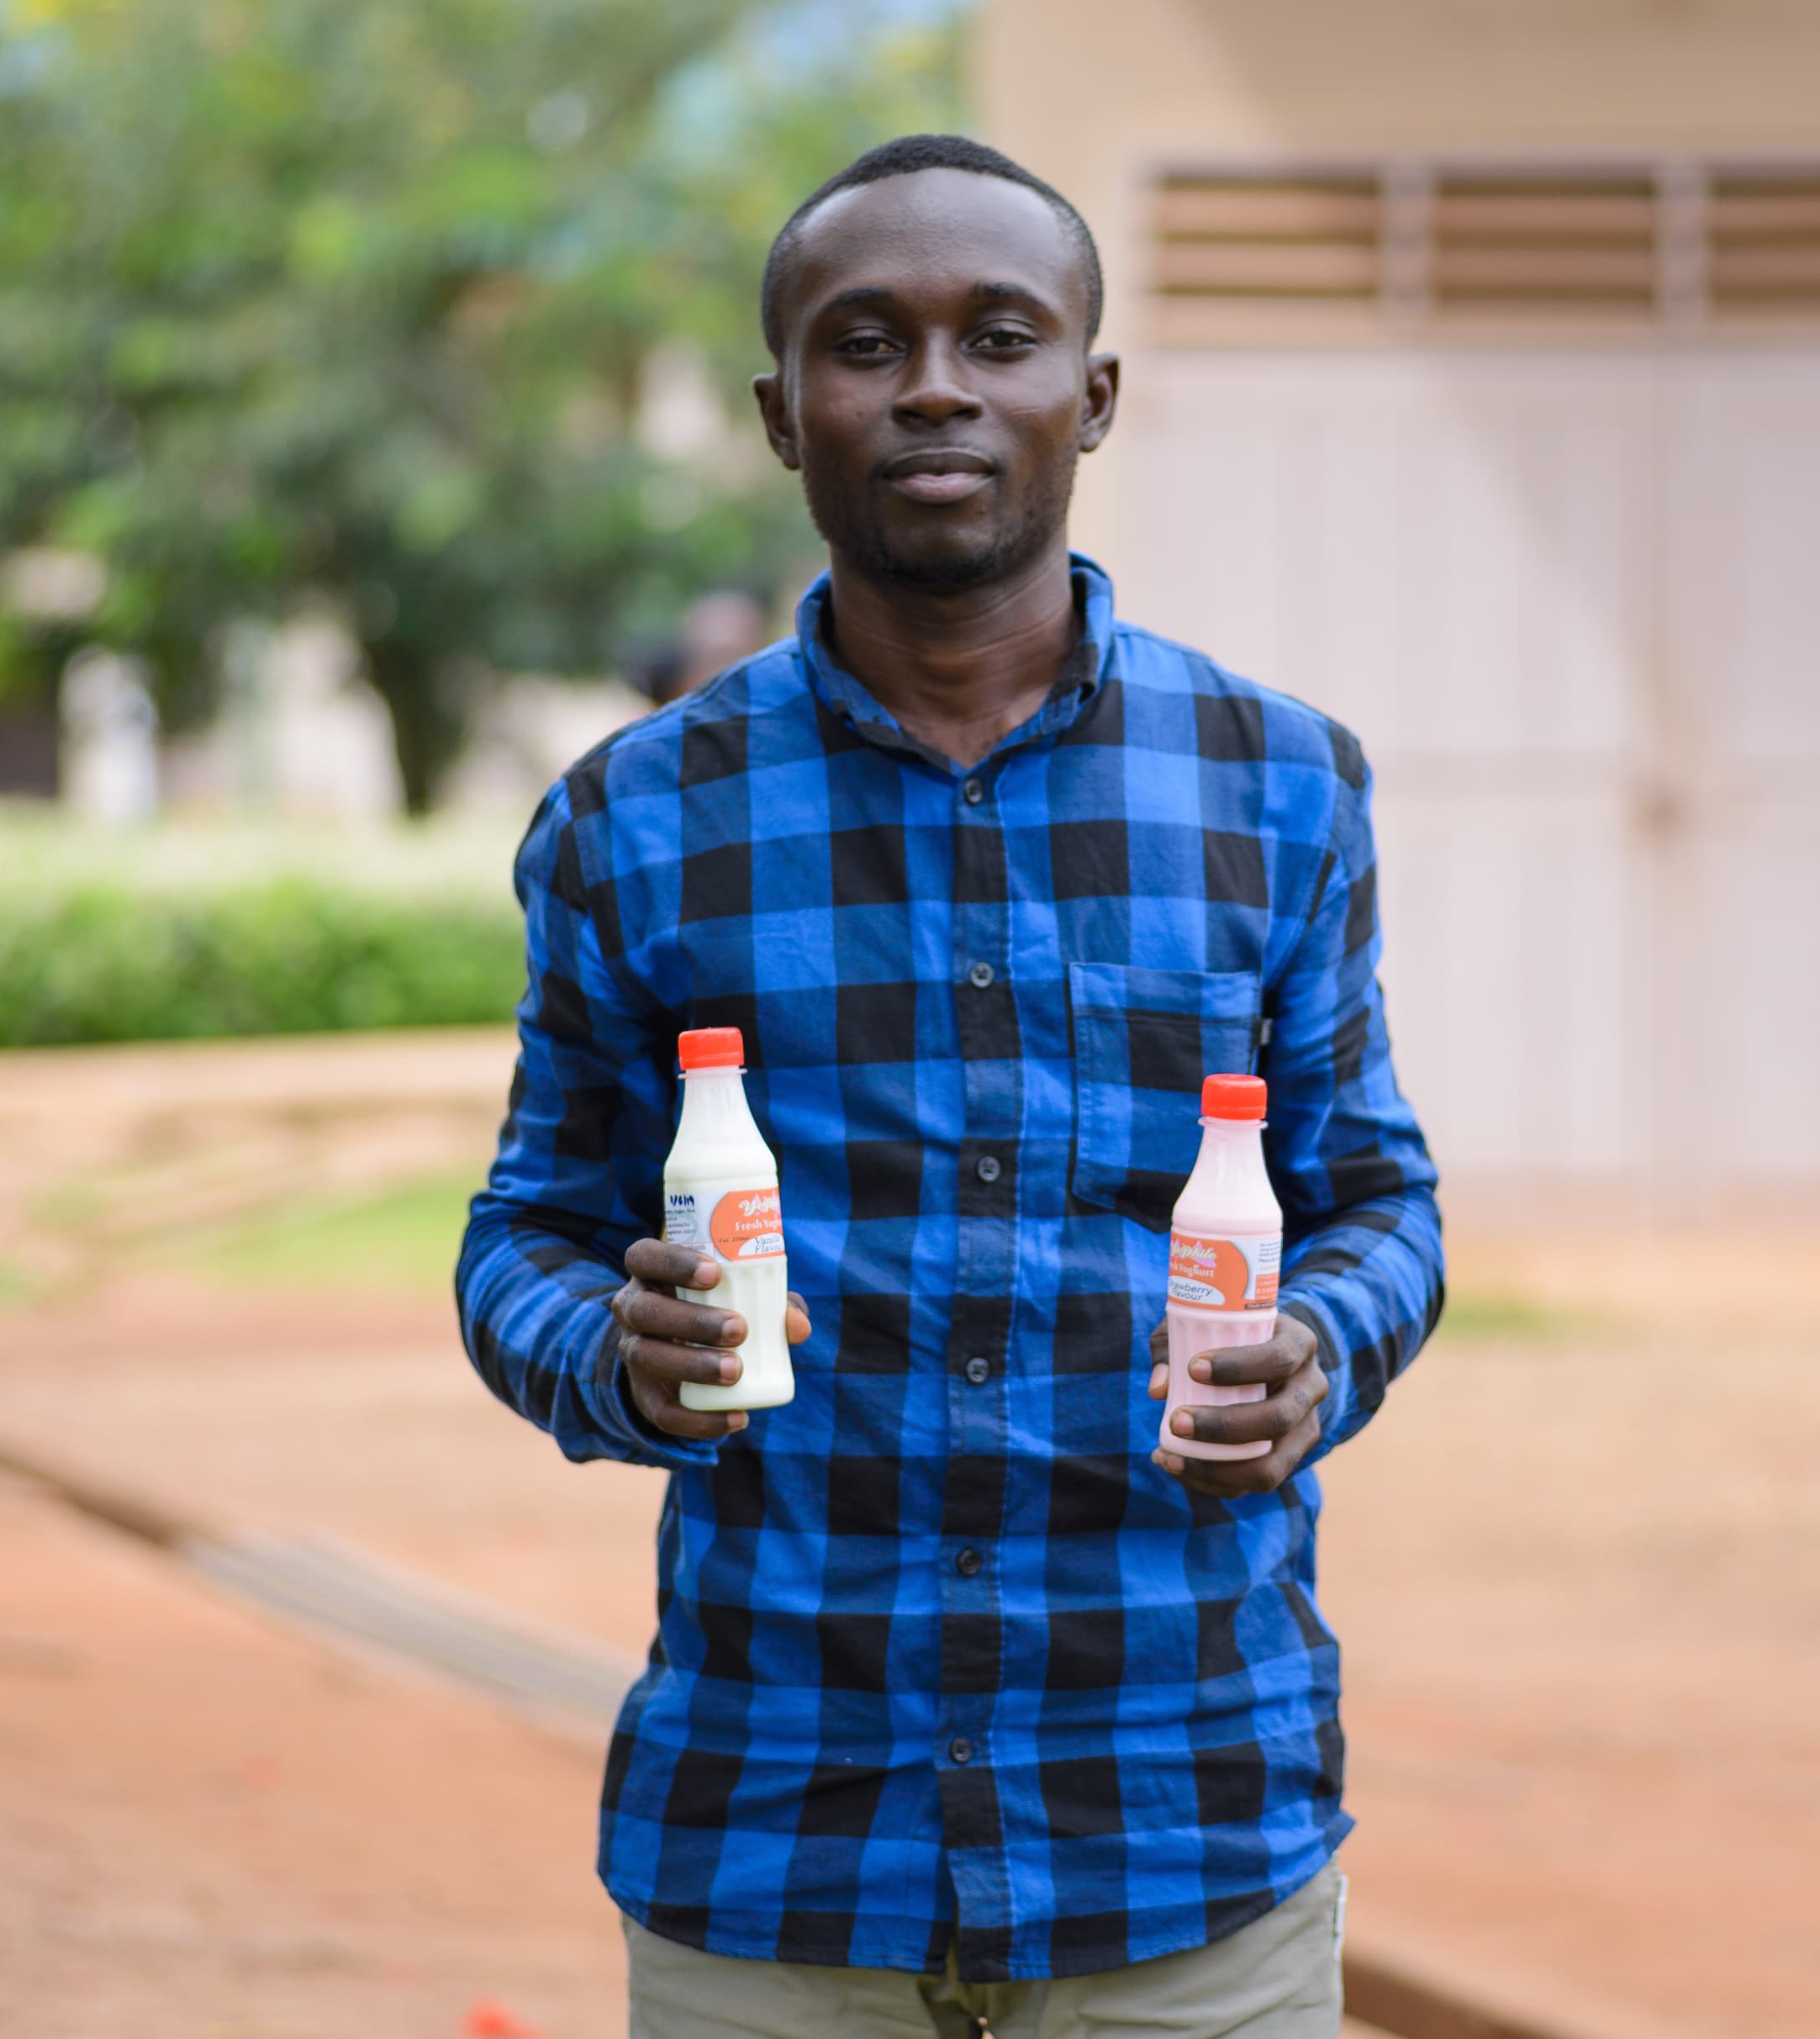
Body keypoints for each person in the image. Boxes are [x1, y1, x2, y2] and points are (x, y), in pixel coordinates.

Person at [457, 134, 1444, 2036]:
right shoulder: (635, 821)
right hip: (774, 1846)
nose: (931, 385)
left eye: (997, 336)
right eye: (864, 341)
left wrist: (1322, 1342)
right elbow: (525, 1238)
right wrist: (607, 1351)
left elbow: (1379, 1201)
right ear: (777, 413)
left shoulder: (1279, 783)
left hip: (1186, 1831)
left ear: (1091, 394)